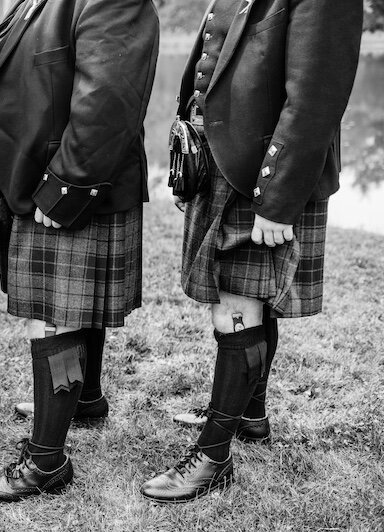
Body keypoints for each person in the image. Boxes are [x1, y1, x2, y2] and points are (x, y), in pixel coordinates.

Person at [140, 0, 363, 503]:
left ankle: (213, 455)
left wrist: (278, 199)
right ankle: (248, 415)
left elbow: (316, 97)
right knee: (247, 299)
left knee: (236, 303)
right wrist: (188, 155)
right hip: (223, 162)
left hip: (263, 171)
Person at [0, 0, 159, 501]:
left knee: (53, 315)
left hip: (71, 180)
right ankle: (85, 398)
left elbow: (110, 98)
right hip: (39, 175)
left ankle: (45, 462)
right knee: (70, 308)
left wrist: (67, 184)